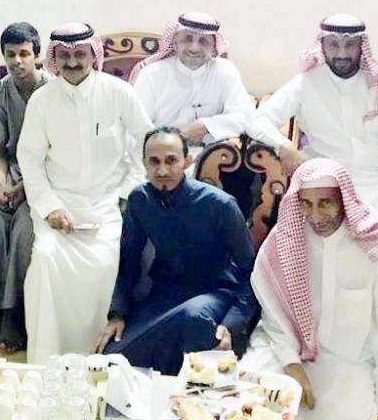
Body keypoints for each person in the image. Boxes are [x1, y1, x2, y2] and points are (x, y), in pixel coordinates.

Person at [243, 157, 378, 420]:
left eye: (325, 203)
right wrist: (292, 365)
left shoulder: (375, 248)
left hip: (348, 361)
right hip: (286, 349)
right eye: (305, 204)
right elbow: (273, 316)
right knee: (251, 400)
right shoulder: (286, 239)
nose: (315, 216)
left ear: (344, 200)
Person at [247, 13, 378, 294]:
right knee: (306, 243)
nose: (341, 53)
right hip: (324, 182)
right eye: (334, 45)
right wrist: (284, 145)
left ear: (361, 46)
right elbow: (256, 121)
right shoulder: (306, 82)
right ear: (322, 45)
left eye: (349, 44)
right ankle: (315, 319)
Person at [18, 23, 152, 363]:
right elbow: (29, 160)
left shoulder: (118, 92)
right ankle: (47, 359)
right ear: (54, 58)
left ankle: (99, 357)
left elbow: (147, 143)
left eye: (80, 54)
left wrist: (127, 193)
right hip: (58, 205)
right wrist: (50, 208)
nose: (73, 62)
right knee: (46, 258)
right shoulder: (42, 100)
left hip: (109, 204)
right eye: (64, 55)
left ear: (93, 55)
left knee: (107, 262)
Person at [95, 126, 257, 374]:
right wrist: (117, 314)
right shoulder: (140, 200)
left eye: (171, 161)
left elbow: (250, 272)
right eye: (154, 162)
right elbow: (129, 261)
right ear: (144, 164)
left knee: (195, 320)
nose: (162, 171)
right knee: (110, 362)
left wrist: (232, 323)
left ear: (187, 161)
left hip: (214, 294)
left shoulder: (220, 205)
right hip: (165, 295)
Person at [0, 22, 52, 350]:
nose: (17, 61)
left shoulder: (53, 91)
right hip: (12, 171)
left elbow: (57, 153)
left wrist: (25, 192)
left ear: (37, 56)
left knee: (24, 230)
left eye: (24, 54)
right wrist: (2, 187)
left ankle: (17, 312)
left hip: (47, 174)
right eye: (11, 54)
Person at [129, 12, 253, 162]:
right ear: (175, 43)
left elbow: (246, 116)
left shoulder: (224, 71)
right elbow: (136, 129)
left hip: (210, 160)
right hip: (161, 160)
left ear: (213, 46)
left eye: (203, 41)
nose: (194, 48)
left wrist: (207, 126)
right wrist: (173, 142)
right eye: (187, 39)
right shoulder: (151, 75)